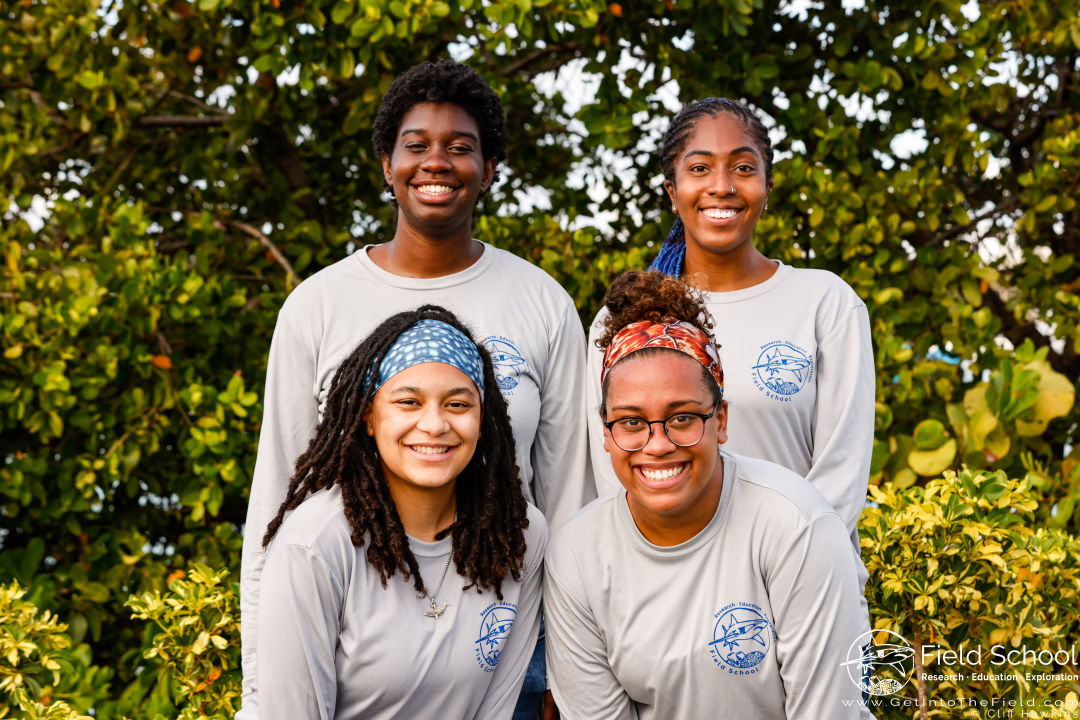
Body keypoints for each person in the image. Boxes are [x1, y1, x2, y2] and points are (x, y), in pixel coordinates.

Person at [238, 60, 593, 718]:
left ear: (489, 169)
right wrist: (261, 686)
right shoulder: (319, 305)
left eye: (461, 147)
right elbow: (278, 502)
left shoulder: (541, 302)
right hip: (356, 636)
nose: (438, 162)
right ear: (386, 163)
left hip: (502, 637)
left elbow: (570, 498)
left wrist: (570, 679)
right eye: (417, 145)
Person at [547, 271, 872, 719]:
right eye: (631, 422)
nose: (657, 444)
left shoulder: (797, 527)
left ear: (720, 420)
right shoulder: (576, 555)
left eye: (682, 418)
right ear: (605, 430)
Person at [585, 97, 874, 560]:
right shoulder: (627, 319)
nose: (721, 186)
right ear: (672, 191)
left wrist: (781, 563)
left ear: (767, 186)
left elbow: (842, 473)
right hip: (673, 576)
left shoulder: (825, 302)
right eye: (699, 169)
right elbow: (615, 471)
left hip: (802, 571)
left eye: (742, 168)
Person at [257, 306, 546, 719]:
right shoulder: (314, 546)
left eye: (458, 405)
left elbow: (496, 710)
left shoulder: (520, 534)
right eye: (408, 402)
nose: (434, 424)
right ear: (369, 417)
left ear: (483, 420)